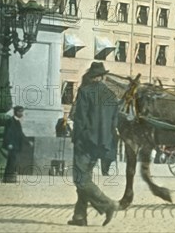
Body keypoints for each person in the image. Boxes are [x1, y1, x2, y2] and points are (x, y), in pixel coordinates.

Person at [68, 62, 120, 227]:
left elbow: (80, 118)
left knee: (80, 180)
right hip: (102, 143)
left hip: (86, 141)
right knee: (85, 177)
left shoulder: (85, 91)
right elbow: (114, 123)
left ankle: (107, 204)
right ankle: (79, 217)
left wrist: (77, 138)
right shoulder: (111, 95)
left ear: (91, 76)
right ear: (103, 76)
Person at [2, 105, 31, 183]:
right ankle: (8, 178)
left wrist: (28, 142)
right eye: (20, 111)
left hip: (17, 146)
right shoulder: (10, 121)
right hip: (12, 146)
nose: (21, 113)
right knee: (11, 161)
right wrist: (9, 143)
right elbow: (8, 133)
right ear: (16, 112)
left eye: (22, 111)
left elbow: (21, 134)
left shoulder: (17, 121)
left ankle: (10, 177)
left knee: (14, 161)